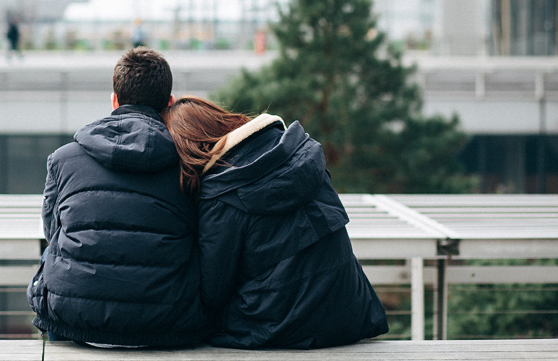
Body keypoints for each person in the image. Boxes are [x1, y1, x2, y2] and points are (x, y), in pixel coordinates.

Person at [161, 96, 389, 349]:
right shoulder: (300, 154)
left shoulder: (221, 193)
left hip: (277, 324)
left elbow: (213, 292)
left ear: (188, 146)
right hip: (348, 310)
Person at [27, 48, 205, 347]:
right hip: (167, 322)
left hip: (74, 319)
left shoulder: (62, 159)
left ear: (114, 99)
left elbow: (52, 231)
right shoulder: (191, 163)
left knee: (52, 252)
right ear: (169, 104)